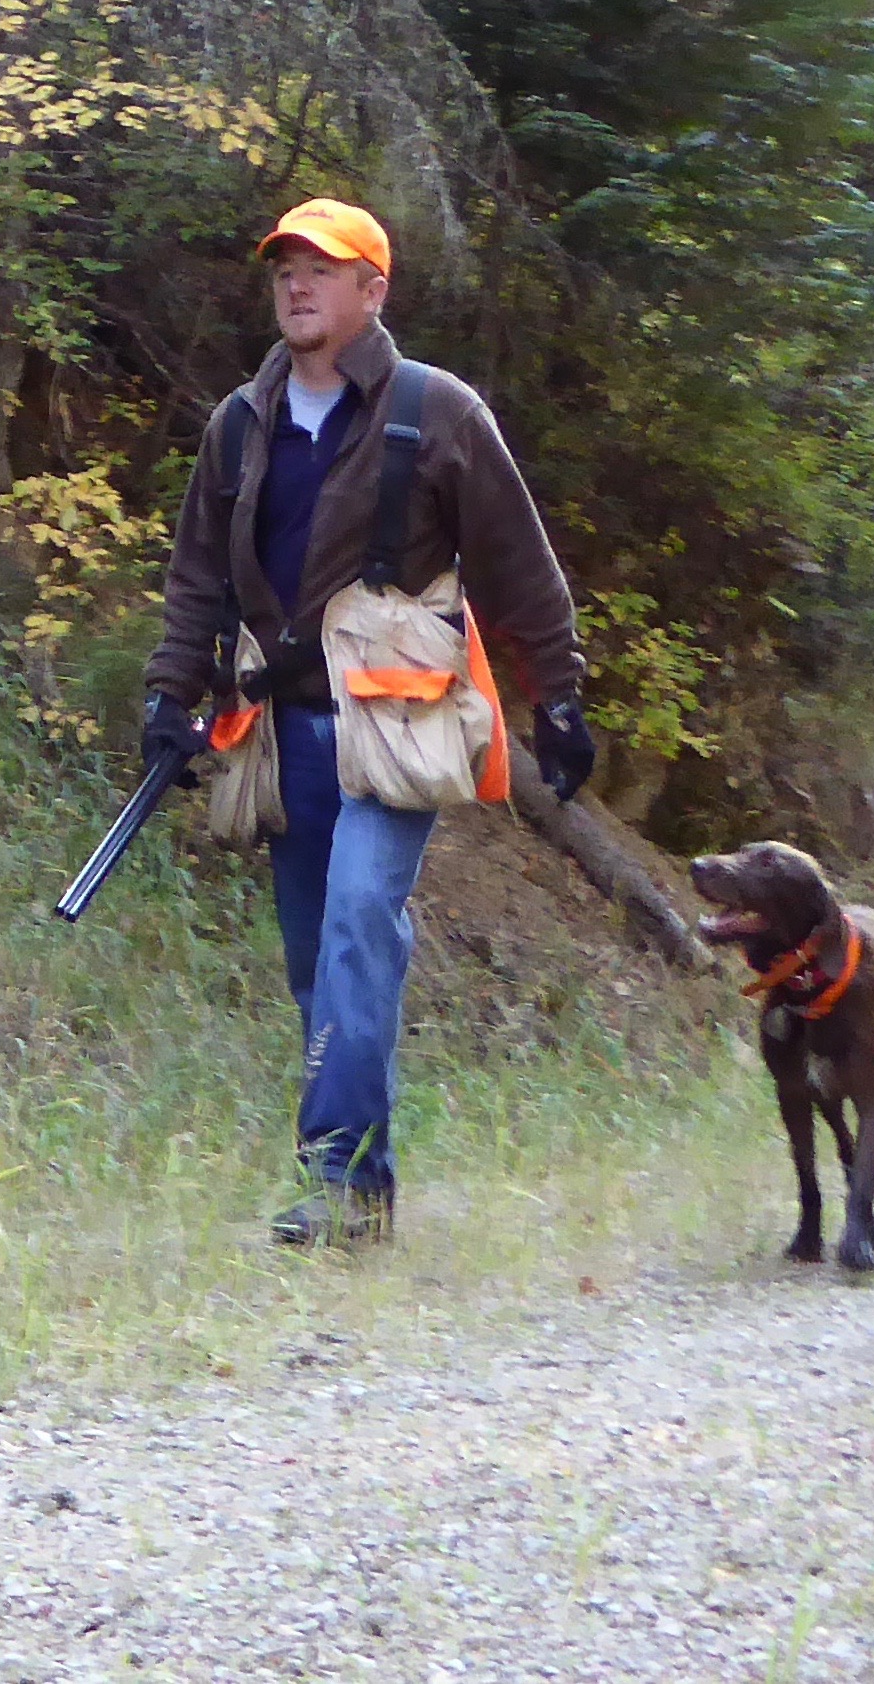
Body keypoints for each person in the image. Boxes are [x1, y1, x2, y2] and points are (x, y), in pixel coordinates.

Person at [141, 198, 595, 1247]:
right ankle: (368, 1186)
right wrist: (171, 697)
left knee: (357, 920)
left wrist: (559, 696)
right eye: (285, 268)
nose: (297, 284)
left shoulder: (440, 412)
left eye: (324, 267)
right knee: (317, 961)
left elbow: (523, 565)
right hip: (281, 727)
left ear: (372, 290)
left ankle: (336, 1181)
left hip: (397, 731)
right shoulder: (238, 422)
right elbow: (197, 574)